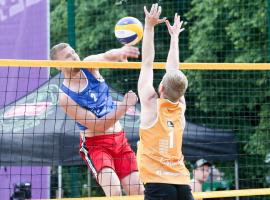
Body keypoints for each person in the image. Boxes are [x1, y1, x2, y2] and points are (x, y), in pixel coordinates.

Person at [50, 43, 144, 196]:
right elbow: (99, 125)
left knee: (138, 191)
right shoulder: (65, 97)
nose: (74, 56)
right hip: (96, 146)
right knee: (114, 192)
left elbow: (107, 56)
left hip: (119, 140)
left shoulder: (89, 66)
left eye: (73, 52)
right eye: (68, 56)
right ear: (58, 66)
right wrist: (125, 105)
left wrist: (121, 52)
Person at [137, 3, 194, 200]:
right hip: (182, 184)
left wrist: (149, 26)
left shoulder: (151, 104)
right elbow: (173, 70)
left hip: (158, 184)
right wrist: (174, 38)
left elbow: (147, 63)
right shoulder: (181, 108)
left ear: (160, 88)